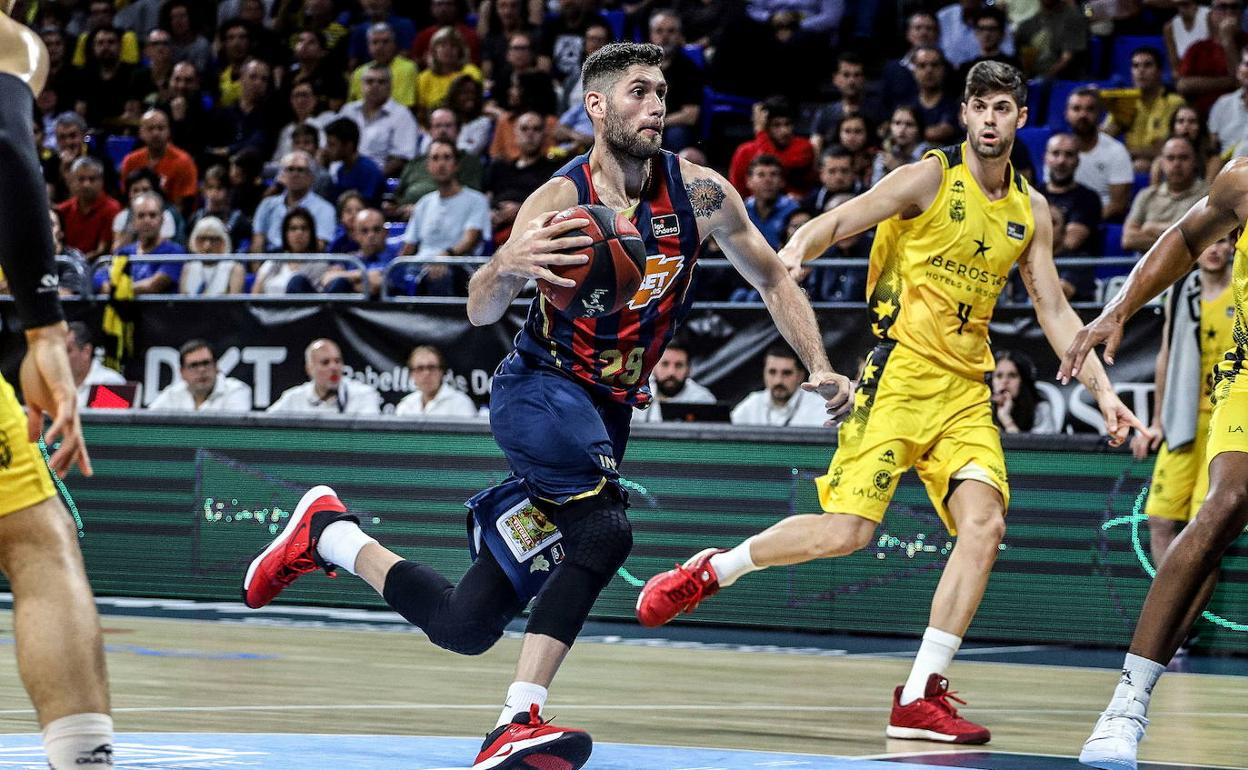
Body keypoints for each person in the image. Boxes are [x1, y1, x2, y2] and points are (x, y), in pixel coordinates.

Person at [240, 41, 848, 770]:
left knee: (466, 624)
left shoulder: (702, 194)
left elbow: (775, 277)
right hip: (539, 390)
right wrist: (505, 264)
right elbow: (476, 308)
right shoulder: (561, 200)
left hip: (607, 413)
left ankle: (328, 533)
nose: (656, 105)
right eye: (637, 93)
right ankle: (516, 721)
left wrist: (820, 366)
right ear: (596, 105)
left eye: (661, 92)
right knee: (604, 532)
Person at [637, 61, 1143, 746]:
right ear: (964, 115)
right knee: (846, 533)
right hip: (897, 376)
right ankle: (712, 569)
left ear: (1023, 118)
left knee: (985, 527)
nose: (991, 119)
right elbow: (845, 215)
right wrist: (798, 250)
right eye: (980, 107)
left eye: (1004, 108)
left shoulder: (1032, 211)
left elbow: (1053, 305)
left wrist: (1105, 393)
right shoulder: (930, 177)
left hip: (966, 392)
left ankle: (917, 695)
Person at [1067, 129, 1248, 770]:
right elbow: (1184, 236)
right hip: (1246, 376)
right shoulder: (1242, 180)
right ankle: (1126, 705)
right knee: (1227, 503)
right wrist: (1120, 306)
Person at [0, 11, 112, 766]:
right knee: (35, 537)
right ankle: (83, 757)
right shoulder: (9, 40)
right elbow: (5, 147)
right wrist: (44, 329)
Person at [1132, 235, 1234, 570]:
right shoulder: (1181, 290)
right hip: (1183, 419)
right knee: (1159, 518)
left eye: (1222, 242)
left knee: (1205, 525)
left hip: (1228, 423)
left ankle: (1190, 612)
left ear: (1234, 246)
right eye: (1209, 242)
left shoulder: (1242, 286)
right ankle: (1173, 611)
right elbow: (1166, 356)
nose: (1215, 249)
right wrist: (1158, 421)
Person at [1102, 47, 1187, 174]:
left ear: (1160, 71)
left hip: (1165, 165)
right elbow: (1103, 140)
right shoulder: (1124, 101)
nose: (1141, 71)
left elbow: (1166, 149)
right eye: (1136, 66)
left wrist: (1126, 151)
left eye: (1147, 65)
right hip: (1127, 163)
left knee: (1141, 165)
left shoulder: (1174, 103)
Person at [1123, 137, 1209, 254]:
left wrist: (1151, 228)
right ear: (1161, 163)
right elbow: (1128, 239)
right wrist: (1179, 240)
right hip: (1147, 268)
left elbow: (1200, 238)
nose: (1176, 164)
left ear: (1195, 162)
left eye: (1183, 158)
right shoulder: (1146, 195)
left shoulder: (1208, 196)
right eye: (1170, 158)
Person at [1066, 87, 1134, 221]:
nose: (1083, 115)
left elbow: (1117, 205)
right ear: (1067, 113)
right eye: (1076, 109)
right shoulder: (1058, 150)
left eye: (1089, 109)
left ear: (1100, 114)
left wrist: (1083, 222)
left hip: (1098, 223)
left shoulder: (1117, 151)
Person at [266, 338, 383, 415]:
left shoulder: (363, 396)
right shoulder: (293, 398)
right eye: (325, 362)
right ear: (309, 369)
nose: (334, 367)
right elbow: (264, 426)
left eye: (337, 361)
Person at [730, 344, 829, 426]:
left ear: (800, 376)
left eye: (786, 373)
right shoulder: (753, 403)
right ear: (764, 374)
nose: (778, 380)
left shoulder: (819, 407)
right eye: (772, 372)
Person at [148, 339, 252, 412]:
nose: (201, 370)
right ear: (182, 372)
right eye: (194, 365)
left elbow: (233, 433)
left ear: (216, 366)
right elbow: (147, 423)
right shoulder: (172, 394)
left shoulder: (237, 391)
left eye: (206, 363)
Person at [394, 345, 478, 418]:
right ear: (412, 374)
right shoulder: (406, 405)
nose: (426, 373)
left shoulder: (460, 403)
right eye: (420, 368)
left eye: (431, 367)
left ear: (441, 371)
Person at [991, 350, 1055, 433]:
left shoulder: (1040, 409)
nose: (1005, 381)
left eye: (1012, 375)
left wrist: (1006, 419)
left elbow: (1037, 445)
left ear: (1023, 381)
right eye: (999, 376)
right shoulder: (983, 409)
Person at [179, 217, 244, 295]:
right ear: (194, 241)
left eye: (213, 239)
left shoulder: (235, 269)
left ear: (223, 241)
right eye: (202, 239)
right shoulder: (187, 267)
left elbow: (234, 304)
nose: (207, 246)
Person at [67, 322, 125, 407]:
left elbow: (114, 420)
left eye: (68, 350)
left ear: (86, 352)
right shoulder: (53, 384)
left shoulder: (108, 383)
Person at [651, 339, 715, 404]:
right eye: (665, 364)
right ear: (653, 367)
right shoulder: (641, 395)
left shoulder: (702, 400)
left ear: (688, 369)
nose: (671, 372)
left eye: (679, 365)